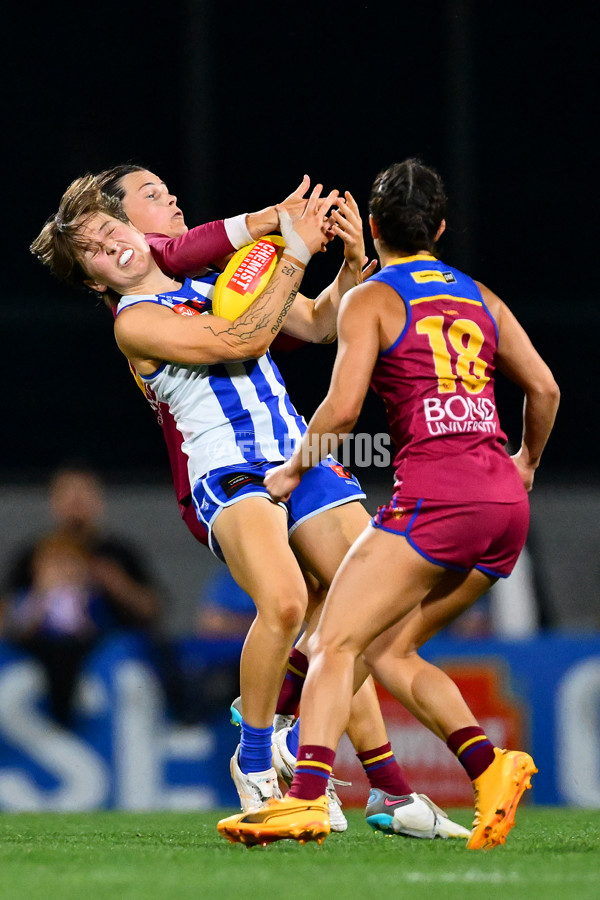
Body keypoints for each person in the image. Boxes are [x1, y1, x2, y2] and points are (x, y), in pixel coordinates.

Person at [95, 164, 471, 839]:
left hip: (297, 456)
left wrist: (352, 262)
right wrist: (291, 248)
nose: (172, 195)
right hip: (229, 471)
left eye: (167, 186)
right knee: (291, 601)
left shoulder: (221, 278)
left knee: (366, 604)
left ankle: (378, 785)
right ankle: (268, 753)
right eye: (151, 194)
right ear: (119, 234)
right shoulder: (139, 316)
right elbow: (243, 338)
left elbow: (324, 323)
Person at [217, 158, 560, 850]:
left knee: (331, 643)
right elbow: (546, 390)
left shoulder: (370, 298)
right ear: (438, 227)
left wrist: (288, 473)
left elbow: (341, 413)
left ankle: (307, 797)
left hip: (437, 502)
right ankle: (490, 768)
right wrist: (526, 461)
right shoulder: (481, 296)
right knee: (390, 650)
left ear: (373, 227)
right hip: (503, 507)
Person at [0, 464, 161, 725]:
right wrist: (42, 592)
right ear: (53, 502)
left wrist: (114, 582)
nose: (76, 504)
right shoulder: (32, 554)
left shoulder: (117, 552)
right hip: (39, 652)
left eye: (83, 495)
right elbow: (7, 618)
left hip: (105, 647)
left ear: (98, 502)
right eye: (68, 495)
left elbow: (153, 610)